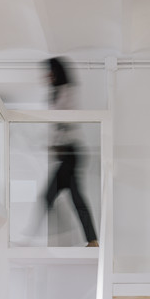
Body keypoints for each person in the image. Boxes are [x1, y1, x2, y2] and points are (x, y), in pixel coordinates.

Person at [43, 57, 98, 247]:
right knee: (70, 197)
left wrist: (57, 141)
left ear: (57, 72)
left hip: (71, 152)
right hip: (64, 154)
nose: (47, 76)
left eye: (50, 71)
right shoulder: (54, 94)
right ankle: (91, 239)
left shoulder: (68, 91)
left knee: (53, 196)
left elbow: (67, 121)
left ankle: (88, 239)